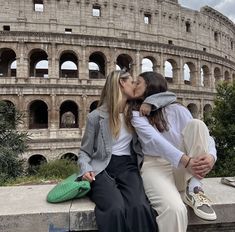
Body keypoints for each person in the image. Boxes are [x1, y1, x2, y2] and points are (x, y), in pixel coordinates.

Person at [128, 71, 217, 232]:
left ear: (151, 85)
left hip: (184, 169)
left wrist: (211, 156)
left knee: (197, 124)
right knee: (175, 210)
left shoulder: (178, 109)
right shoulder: (136, 113)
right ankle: (192, 185)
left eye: (138, 82)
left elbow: (206, 137)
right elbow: (155, 140)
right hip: (155, 166)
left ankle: (194, 187)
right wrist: (186, 161)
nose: (134, 85)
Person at [77, 70, 158, 232]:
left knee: (140, 206)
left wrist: (151, 102)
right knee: (115, 208)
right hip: (102, 169)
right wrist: (85, 169)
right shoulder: (96, 117)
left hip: (128, 167)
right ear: (122, 83)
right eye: (132, 82)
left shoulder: (136, 113)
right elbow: (84, 152)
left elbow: (168, 96)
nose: (135, 86)